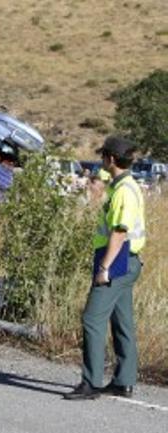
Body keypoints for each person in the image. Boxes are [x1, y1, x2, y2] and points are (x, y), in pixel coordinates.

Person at [64, 136, 146, 400]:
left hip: (117, 260)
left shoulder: (123, 191)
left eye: (103, 157)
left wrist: (104, 268)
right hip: (128, 261)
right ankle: (124, 381)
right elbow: (101, 178)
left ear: (111, 159)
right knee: (122, 322)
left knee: (92, 319)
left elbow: (119, 233)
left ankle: (90, 383)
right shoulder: (125, 184)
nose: (101, 161)